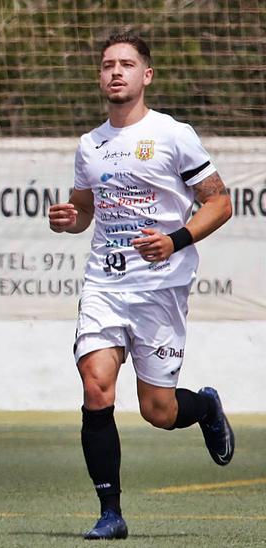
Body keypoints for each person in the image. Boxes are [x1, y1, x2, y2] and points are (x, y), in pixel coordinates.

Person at [47, 30, 234, 540]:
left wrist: (175, 240)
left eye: (126, 64)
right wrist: (69, 219)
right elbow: (85, 212)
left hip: (161, 287)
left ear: (145, 75)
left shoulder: (175, 134)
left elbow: (220, 203)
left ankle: (206, 407)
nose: (115, 72)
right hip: (105, 283)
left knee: (159, 410)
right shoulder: (91, 146)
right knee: (95, 388)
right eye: (108, 64)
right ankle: (111, 512)